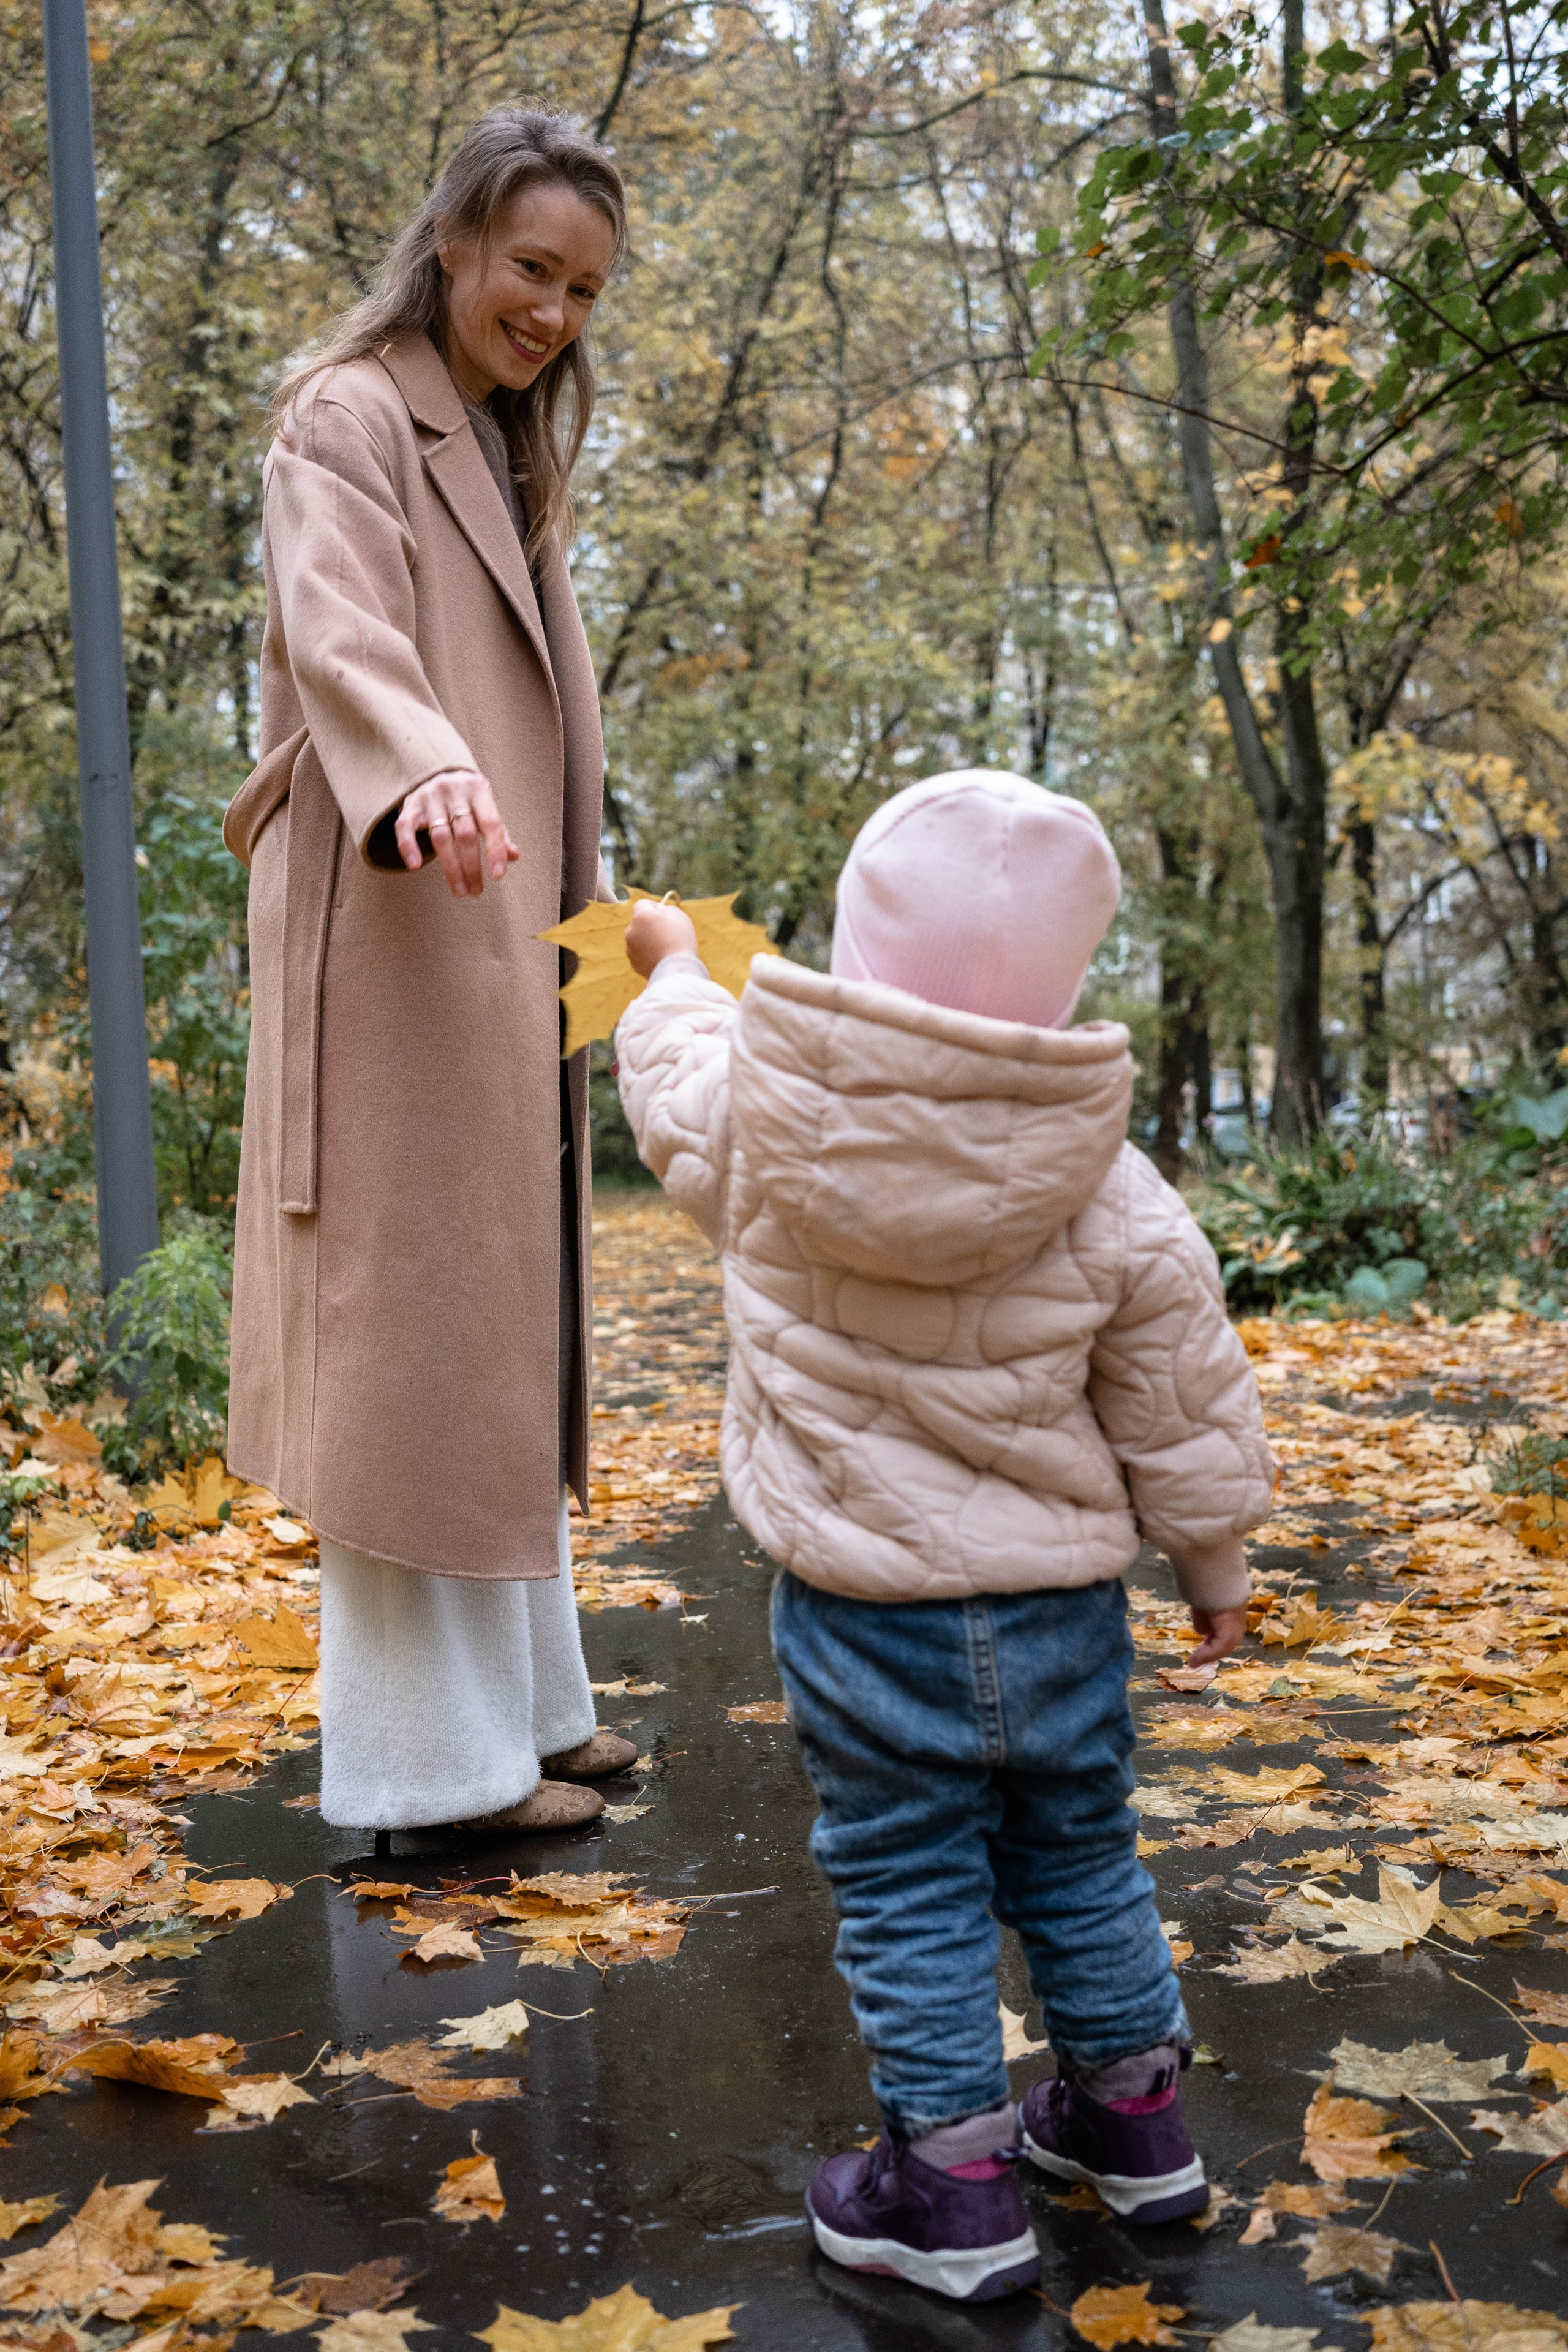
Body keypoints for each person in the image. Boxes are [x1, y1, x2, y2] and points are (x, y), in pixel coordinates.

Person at [611, 769, 1275, 2302]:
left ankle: (952, 2186)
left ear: (850, 952)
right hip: (1058, 1609)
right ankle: (1133, 2124)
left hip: (861, 1609)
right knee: (1082, 1856)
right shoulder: (1111, 1182)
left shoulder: (765, 1131)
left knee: (906, 1880)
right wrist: (1213, 1567)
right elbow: (1180, 1394)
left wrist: (671, 968)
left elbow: (675, 1073)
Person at [224, 111, 639, 1837]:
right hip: (398, 924)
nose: (553, 310)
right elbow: (341, 631)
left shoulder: (498, 438)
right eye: (532, 267)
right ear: (457, 239)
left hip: (496, 934)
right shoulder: (349, 411)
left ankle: (529, 1717)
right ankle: (426, 1781)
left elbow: (557, 734)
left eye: (583, 288)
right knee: (413, 1345)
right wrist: (422, 761)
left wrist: (613, 948)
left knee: (492, 1333)